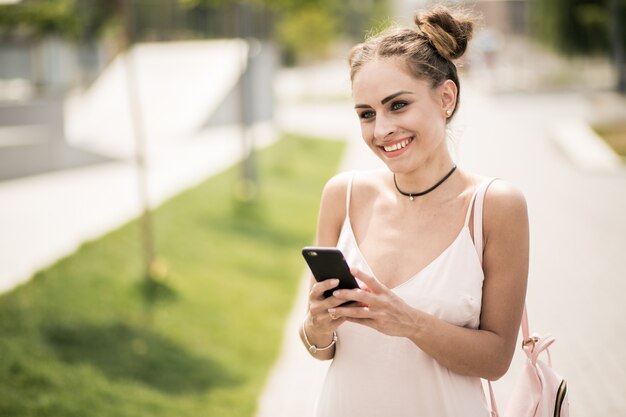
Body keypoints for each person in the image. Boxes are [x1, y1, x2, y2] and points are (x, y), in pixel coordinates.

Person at [298, 5, 529, 417]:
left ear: (446, 97)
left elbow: (496, 360)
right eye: (366, 114)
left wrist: (408, 322)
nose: (381, 130)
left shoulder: (495, 207)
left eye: (398, 106)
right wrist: (317, 327)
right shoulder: (343, 196)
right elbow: (324, 352)